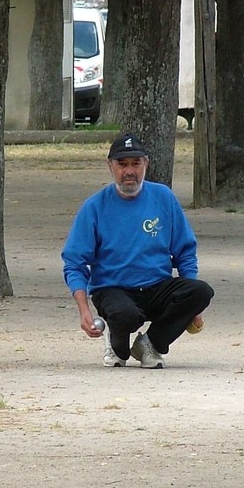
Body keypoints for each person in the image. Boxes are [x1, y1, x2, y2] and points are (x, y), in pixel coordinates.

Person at [61, 133, 214, 368]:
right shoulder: (94, 207)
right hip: (113, 289)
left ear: (146, 164)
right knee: (126, 317)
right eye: (122, 164)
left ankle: (150, 344)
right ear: (110, 166)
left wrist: (193, 308)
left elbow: (185, 252)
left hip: (156, 286)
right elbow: (74, 263)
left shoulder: (164, 197)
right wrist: (84, 310)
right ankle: (116, 345)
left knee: (201, 292)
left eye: (135, 163)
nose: (129, 171)